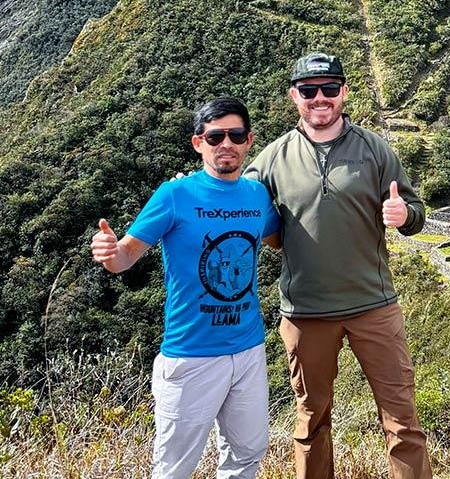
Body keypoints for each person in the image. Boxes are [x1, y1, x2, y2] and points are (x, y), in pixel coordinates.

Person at [245, 52, 431, 479]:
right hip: (307, 313)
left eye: (329, 89)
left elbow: (414, 208)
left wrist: (406, 217)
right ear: (295, 97)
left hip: (373, 306)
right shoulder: (273, 159)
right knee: (311, 423)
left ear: (344, 93)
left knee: (401, 420)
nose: (320, 98)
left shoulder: (375, 149)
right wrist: (192, 187)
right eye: (309, 91)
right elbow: (234, 200)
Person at [90, 97, 281, 479]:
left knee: (246, 456)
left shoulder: (258, 196)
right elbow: (125, 257)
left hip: (248, 350)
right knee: (174, 468)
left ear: (249, 141)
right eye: (215, 136)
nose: (225, 143)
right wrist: (108, 252)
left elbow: (281, 240)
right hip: (191, 355)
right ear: (198, 143)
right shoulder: (174, 195)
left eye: (236, 134)